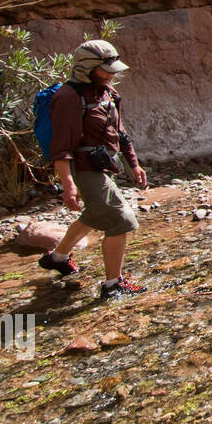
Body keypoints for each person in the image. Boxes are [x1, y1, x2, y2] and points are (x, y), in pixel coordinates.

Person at [37, 40, 148, 299]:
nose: (112, 75)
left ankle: (57, 258)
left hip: (102, 165)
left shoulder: (107, 92)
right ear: (86, 68)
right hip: (82, 167)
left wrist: (134, 163)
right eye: (105, 70)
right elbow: (61, 147)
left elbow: (120, 132)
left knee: (95, 212)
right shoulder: (67, 97)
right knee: (121, 219)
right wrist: (68, 185)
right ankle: (113, 284)